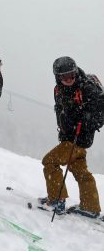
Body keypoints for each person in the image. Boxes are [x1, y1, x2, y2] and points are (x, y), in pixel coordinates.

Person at [38, 56, 103, 218]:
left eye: (71, 75)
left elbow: (100, 114)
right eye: (64, 77)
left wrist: (86, 119)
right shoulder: (59, 89)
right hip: (70, 136)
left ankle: (56, 200)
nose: (68, 79)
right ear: (57, 77)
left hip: (78, 137)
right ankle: (90, 206)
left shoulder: (87, 88)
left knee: (49, 161)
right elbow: (61, 110)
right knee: (80, 171)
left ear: (75, 72)